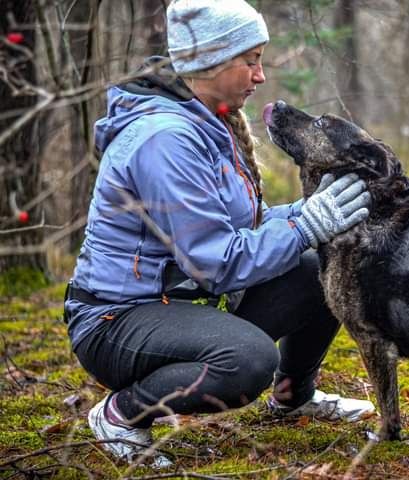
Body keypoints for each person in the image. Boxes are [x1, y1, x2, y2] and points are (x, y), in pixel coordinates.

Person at [64, 0, 374, 466]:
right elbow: (216, 261)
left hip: (185, 304)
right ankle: (121, 415)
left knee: (319, 267)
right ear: (209, 61)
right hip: (116, 321)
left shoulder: (207, 124)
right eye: (250, 61)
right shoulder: (164, 139)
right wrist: (306, 225)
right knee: (247, 360)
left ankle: (293, 397)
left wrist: (307, 215)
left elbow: (241, 227)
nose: (260, 76)